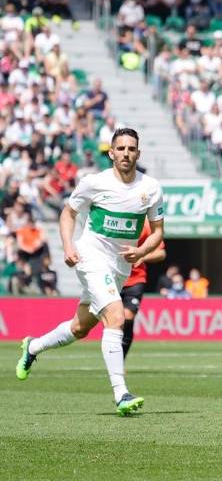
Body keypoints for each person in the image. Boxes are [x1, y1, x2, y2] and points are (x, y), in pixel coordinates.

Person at [15, 128, 165, 417]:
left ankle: (32, 347)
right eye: (120, 148)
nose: (125, 153)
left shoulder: (151, 188)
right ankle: (121, 393)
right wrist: (68, 245)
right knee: (116, 316)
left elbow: (158, 232)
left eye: (131, 149)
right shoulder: (94, 183)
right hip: (90, 257)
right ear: (111, 152)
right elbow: (68, 213)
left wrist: (142, 252)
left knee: (80, 328)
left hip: (120, 267)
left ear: (138, 153)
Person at [120, 220, 166, 359]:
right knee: (114, 321)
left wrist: (142, 255)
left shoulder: (145, 224)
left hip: (135, 279)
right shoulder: (112, 216)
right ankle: (113, 358)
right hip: (111, 278)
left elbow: (161, 253)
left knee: (127, 316)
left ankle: (120, 360)